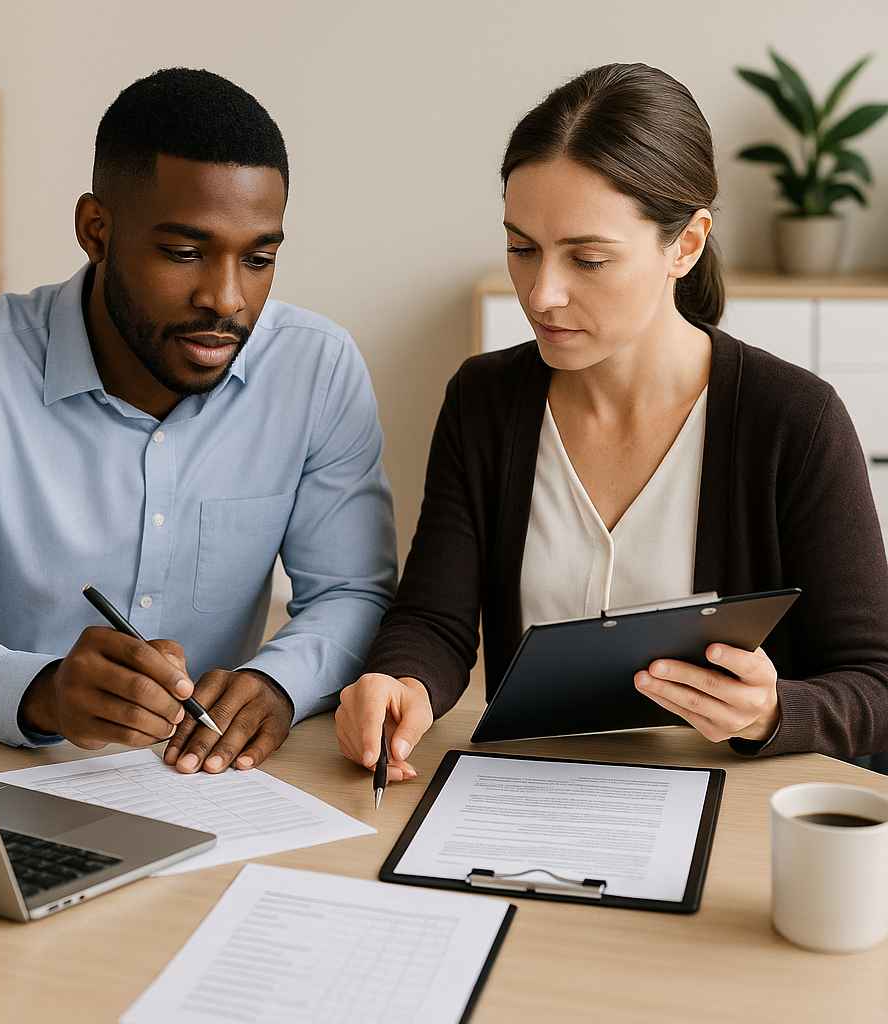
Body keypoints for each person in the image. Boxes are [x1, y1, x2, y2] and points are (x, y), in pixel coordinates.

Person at [336, 62, 888, 782]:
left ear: (685, 245)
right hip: (523, 793)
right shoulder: (487, 399)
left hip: (732, 806)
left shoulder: (794, 420)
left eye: (588, 259)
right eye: (521, 247)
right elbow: (433, 622)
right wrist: (400, 683)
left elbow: (876, 683)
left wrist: (772, 711)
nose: (542, 294)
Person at [0, 68, 396, 774]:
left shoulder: (316, 368)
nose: (226, 299)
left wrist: (279, 683)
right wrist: (40, 693)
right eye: (184, 253)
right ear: (96, 230)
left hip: (212, 783)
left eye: (260, 258)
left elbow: (353, 594)